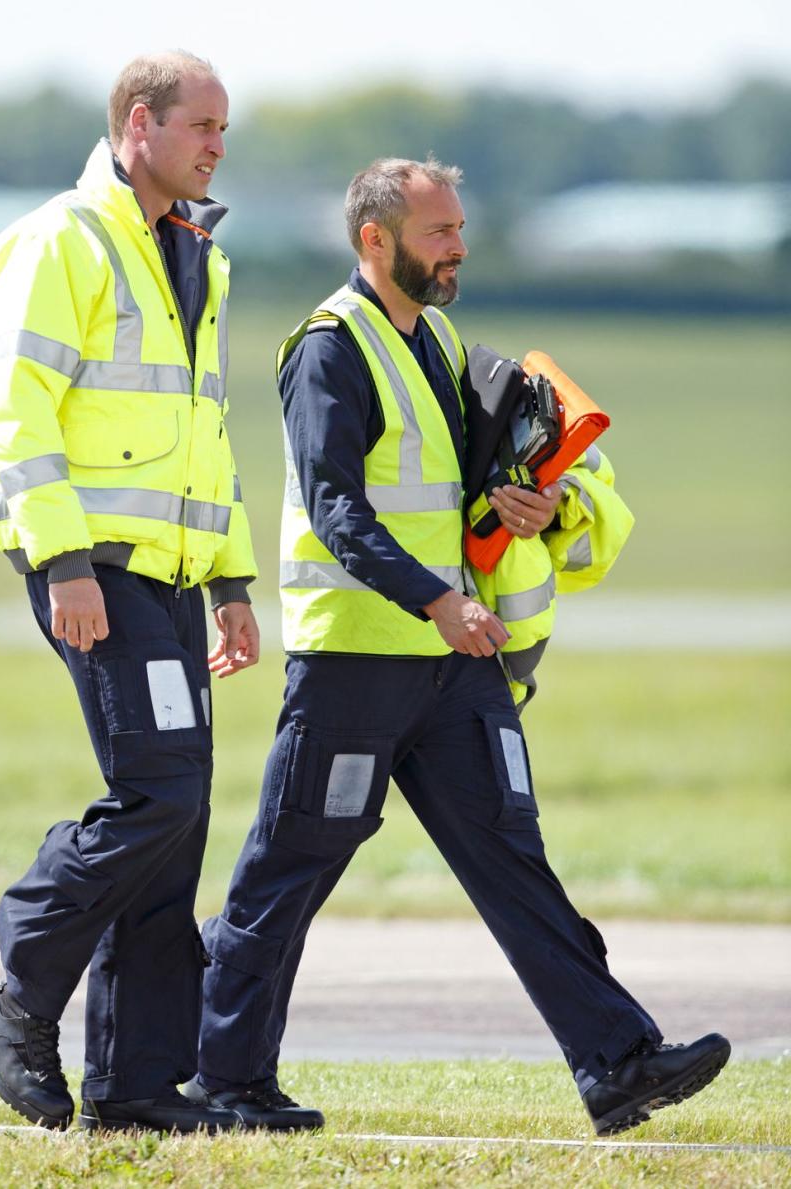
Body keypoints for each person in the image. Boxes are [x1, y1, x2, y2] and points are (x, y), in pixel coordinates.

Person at [185, 157, 730, 1136]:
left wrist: (532, 499)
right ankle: (225, 1079)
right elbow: (336, 507)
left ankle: (619, 1063)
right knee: (289, 868)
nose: (457, 249)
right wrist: (436, 598)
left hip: (452, 661)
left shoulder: (435, 337)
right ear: (373, 241)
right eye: (438, 233)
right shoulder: (328, 348)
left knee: (513, 856)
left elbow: (461, 485)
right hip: (355, 659)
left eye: (458, 230)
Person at [0, 51, 259, 1135]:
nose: (219, 145)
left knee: (178, 827)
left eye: (225, 128)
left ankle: (136, 1087)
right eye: (203, 125)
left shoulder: (195, 253)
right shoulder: (60, 241)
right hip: (96, 565)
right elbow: (17, 413)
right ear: (140, 123)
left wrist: (230, 576)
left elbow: (205, 436)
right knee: (161, 794)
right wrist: (62, 564)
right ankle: (17, 996)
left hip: (174, 571)